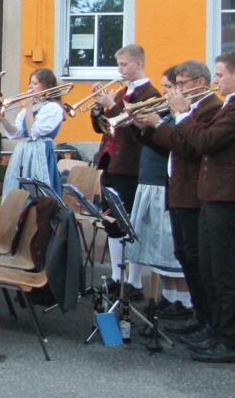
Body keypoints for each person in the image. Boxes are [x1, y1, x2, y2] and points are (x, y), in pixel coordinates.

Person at [138, 50, 235, 363]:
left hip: (230, 196)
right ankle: (214, 330)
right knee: (209, 269)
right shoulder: (234, 104)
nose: (217, 80)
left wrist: (181, 115)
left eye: (221, 74)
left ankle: (228, 341)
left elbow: (205, 143)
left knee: (222, 272)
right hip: (214, 195)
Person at [137, 59, 219, 335]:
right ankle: (200, 314)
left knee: (195, 258)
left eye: (181, 84)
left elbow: (191, 147)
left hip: (193, 192)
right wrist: (146, 128)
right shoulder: (191, 109)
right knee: (186, 254)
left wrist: (163, 121)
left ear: (198, 83)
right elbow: (172, 146)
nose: (176, 90)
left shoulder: (209, 109)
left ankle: (205, 317)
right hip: (179, 190)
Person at [90, 44, 159, 300]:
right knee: (112, 221)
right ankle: (117, 277)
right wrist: (98, 108)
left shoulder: (149, 93)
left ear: (139, 64)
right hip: (110, 163)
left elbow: (137, 132)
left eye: (125, 65)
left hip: (130, 166)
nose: (120, 69)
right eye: (119, 65)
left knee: (130, 223)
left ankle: (134, 281)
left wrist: (113, 106)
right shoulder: (122, 92)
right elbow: (105, 129)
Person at [124, 66, 191, 319]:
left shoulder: (181, 115)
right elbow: (154, 142)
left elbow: (175, 145)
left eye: (168, 87)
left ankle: (183, 301)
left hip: (165, 184)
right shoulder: (168, 114)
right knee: (156, 246)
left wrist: (157, 123)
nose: (163, 92)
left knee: (169, 247)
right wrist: (140, 127)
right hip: (149, 180)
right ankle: (170, 296)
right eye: (163, 87)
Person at [0, 68, 65, 198]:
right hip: (24, 151)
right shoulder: (31, 108)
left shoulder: (53, 108)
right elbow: (17, 133)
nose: (29, 87)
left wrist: (28, 107)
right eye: (30, 83)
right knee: (19, 190)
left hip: (41, 151)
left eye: (34, 83)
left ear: (46, 85)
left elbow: (33, 132)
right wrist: (2, 119)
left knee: (40, 192)